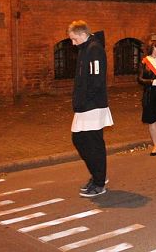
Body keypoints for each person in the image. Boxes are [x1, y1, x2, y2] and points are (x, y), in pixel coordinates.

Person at [68, 20, 113, 198]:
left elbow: (96, 80)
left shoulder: (94, 49)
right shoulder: (84, 48)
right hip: (84, 105)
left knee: (93, 144)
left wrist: (84, 101)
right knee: (79, 139)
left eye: (73, 39)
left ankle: (99, 181)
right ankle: (97, 175)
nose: (72, 43)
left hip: (92, 106)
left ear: (82, 34)